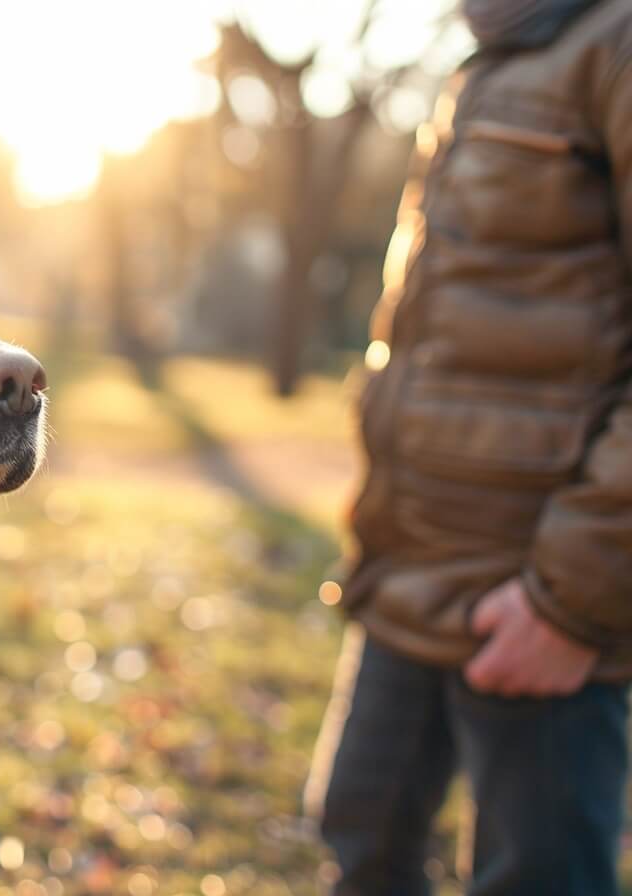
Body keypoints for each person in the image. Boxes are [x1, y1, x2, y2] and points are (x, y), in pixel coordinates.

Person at [307, 1, 632, 893]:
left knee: (542, 874)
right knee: (360, 840)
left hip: (536, 594)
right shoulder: (490, 56)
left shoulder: (615, 44)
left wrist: (573, 600)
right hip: (406, 572)